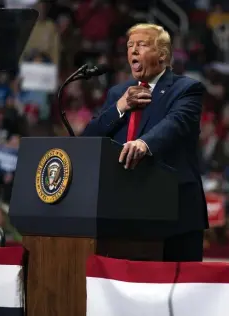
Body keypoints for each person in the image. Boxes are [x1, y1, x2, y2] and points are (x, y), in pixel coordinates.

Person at [83, 23, 208, 262]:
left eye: (141, 45)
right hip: (125, 212)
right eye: (130, 46)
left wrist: (144, 143)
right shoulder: (118, 93)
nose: (133, 51)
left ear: (162, 54)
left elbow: (176, 123)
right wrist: (121, 106)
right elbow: (90, 138)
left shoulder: (186, 88)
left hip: (176, 213)